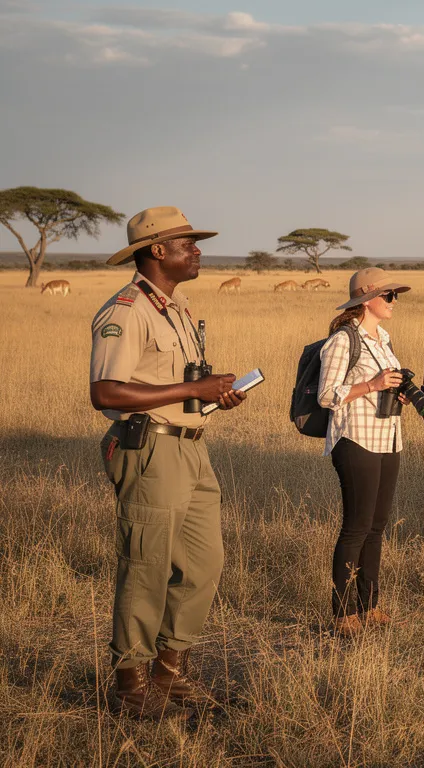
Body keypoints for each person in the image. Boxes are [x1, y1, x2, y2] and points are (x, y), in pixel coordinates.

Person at [90, 206, 248, 720]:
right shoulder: (126, 310)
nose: (197, 250)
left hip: (191, 447)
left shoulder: (175, 309)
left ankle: (169, 673)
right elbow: (105, 391)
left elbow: (176, 385)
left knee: (205, 563)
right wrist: (191, 389)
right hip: (151, 449)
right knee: (146, 566)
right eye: (188, 243)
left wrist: (211, 397)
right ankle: (131, 683)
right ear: (158, 250)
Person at [318, 268, 412, 637]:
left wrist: (394, 390)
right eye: (388, 296)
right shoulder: (344, 340)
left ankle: (369, 606)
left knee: (377, 527)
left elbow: (378, 387)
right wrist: (371, 384)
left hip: (388, 437)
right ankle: (342, 614)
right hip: (355, 439)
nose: (393, 302)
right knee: (356, 527)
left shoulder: (383, 339)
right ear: (367, 300)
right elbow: (328, 395)